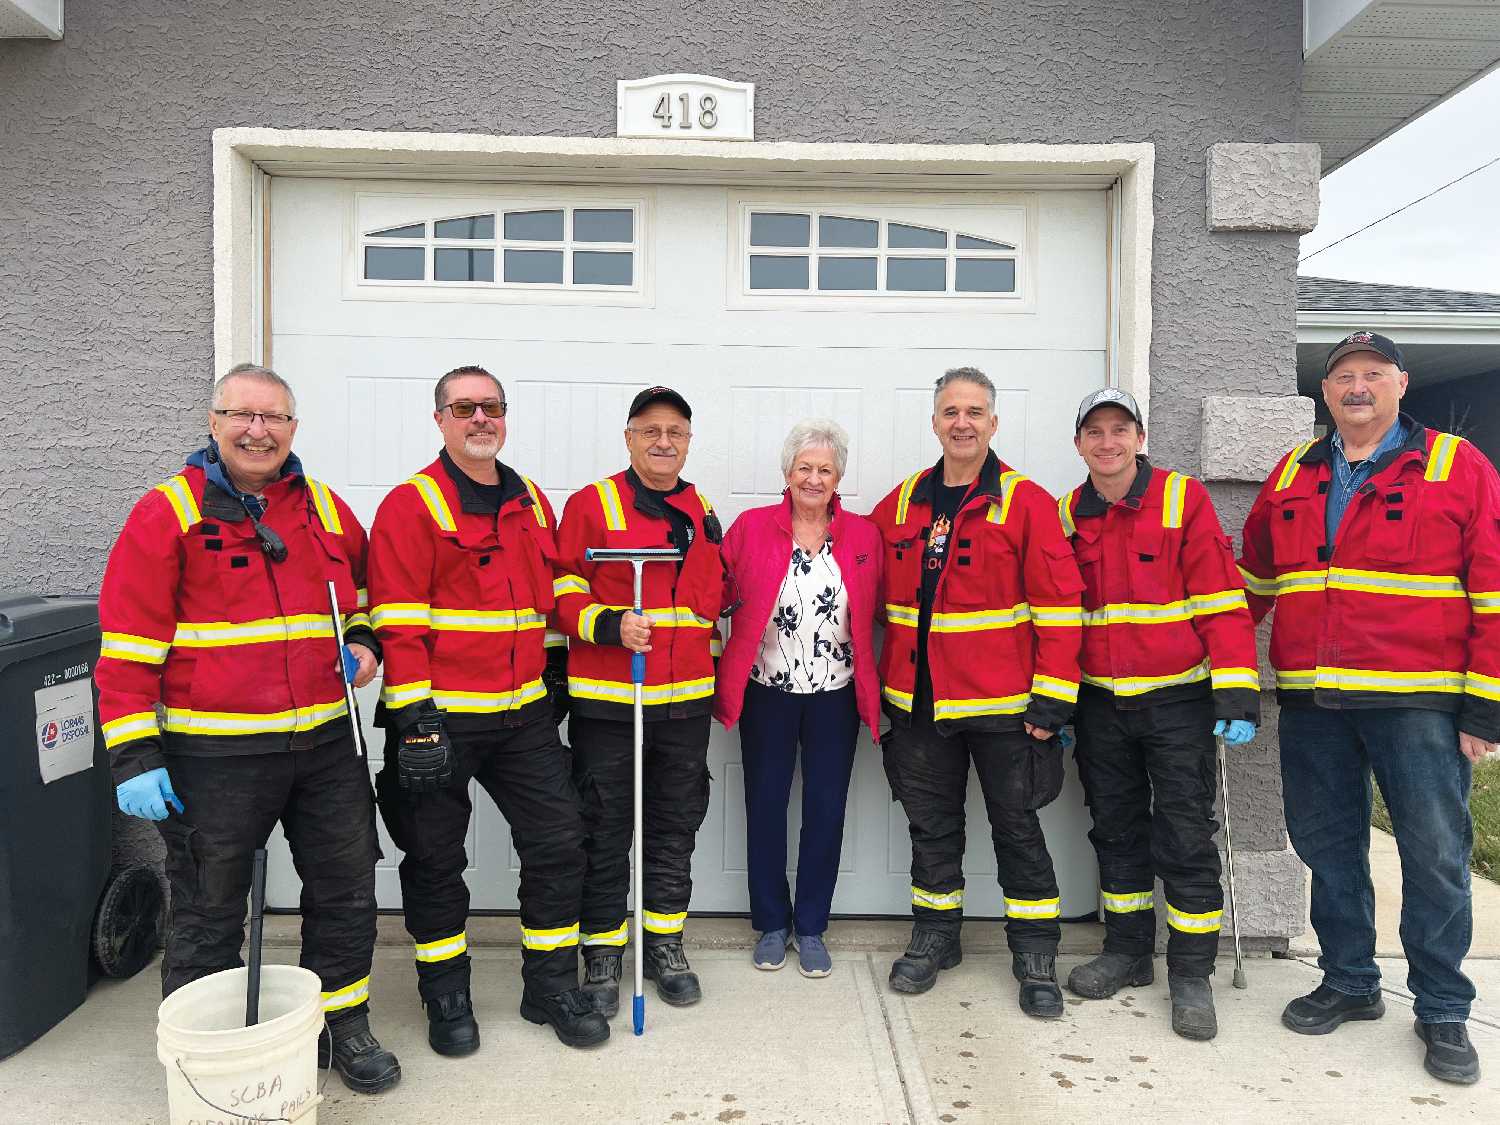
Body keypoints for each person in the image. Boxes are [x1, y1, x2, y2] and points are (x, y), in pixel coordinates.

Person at [98, 363, 399, 1094]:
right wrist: (134, 755)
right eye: (243, 415)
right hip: (214, 757)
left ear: (294, 428)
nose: (258, 430)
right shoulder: (167, 513)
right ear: (214, 421)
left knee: (346, 888)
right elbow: (129, 643)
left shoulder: (326, 508)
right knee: (209, 905)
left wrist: (365, 641)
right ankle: (209, 1050)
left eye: (275, 418)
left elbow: (362, 595)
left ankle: (342, 1023)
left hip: (326, 746)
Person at [1240, 331, 1500, 1085]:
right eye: (1344, 376)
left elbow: (1492, 590)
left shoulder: (1457, 466)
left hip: (1417, 702)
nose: (1357, 387)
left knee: (1436, 853)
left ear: (1401, 382)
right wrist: (1221, 666)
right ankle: (1350, 981)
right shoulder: (1294, 470)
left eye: (1373, 375)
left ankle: (1443, 1006)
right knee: (1327, 847)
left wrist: (1485, 708)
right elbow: (1253, 577)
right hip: (1314, 696)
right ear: (1325, 393)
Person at [367, 365, 606, 1050]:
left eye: (491, 406)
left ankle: (551, 985)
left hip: (524, 717)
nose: (480, 418)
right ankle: (446, 995)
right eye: (465, 406)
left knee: (560, 842)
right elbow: (397, 617)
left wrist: (599, 623)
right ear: (439, 418)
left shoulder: (529, 497)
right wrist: (412, 717)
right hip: (440, 719)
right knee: (435, 858)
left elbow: (557, 587)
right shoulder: (412, 505)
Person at [870, 366, 1083, 1017]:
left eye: (974, 411)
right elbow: (860, 582)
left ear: (993, 422)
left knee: (1017, 828)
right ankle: (936, 935)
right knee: (930, 828)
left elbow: (1061, 605)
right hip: (918, 706)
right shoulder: (901, 503)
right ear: (935, 421)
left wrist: (1052, 702)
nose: (961, 422)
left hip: (1005, 711)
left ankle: (1035, 951)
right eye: (950, 410)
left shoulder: (1026, 502)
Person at [1057, 388, 1260, 1040]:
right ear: (1080, 443)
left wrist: (1235, 693)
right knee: (1115, 830)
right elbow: (1057, 617)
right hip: (1098, 704)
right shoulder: (1066, 514)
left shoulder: (1181, 500)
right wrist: (1058, 697)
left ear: (1139, 438)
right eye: (1095, 431)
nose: (1108, 442)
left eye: (1120, 429)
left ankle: (1191, 973)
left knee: (1184, 837)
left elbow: (1222, 600)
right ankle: (1126, 951)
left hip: (1177, 700)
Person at [554, 386, 725, 1015]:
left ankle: (665, 942)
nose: (663, 442)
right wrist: (607, 622)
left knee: (674, 827)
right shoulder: (591, 504)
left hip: (684, 704)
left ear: (687, 440)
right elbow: (560, 591)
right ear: (629, 438)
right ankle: (602, 951)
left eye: (675, 431)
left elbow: (709, 594)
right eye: (650, 430)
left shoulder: (700, 507)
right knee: (605, 827)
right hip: (610, 699)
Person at [713, 420, 884, 977]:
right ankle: (769, 923)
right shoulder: (750, 529)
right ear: (787, 473)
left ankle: (810, 926)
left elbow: (880, 611)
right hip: (768, 692)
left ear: (839, 478)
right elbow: (715, 596)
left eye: (825, 469)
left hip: (836, 695)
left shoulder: (862, 536)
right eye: (804, 468)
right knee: (764, 805)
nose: (814, 478)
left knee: (825, 811)